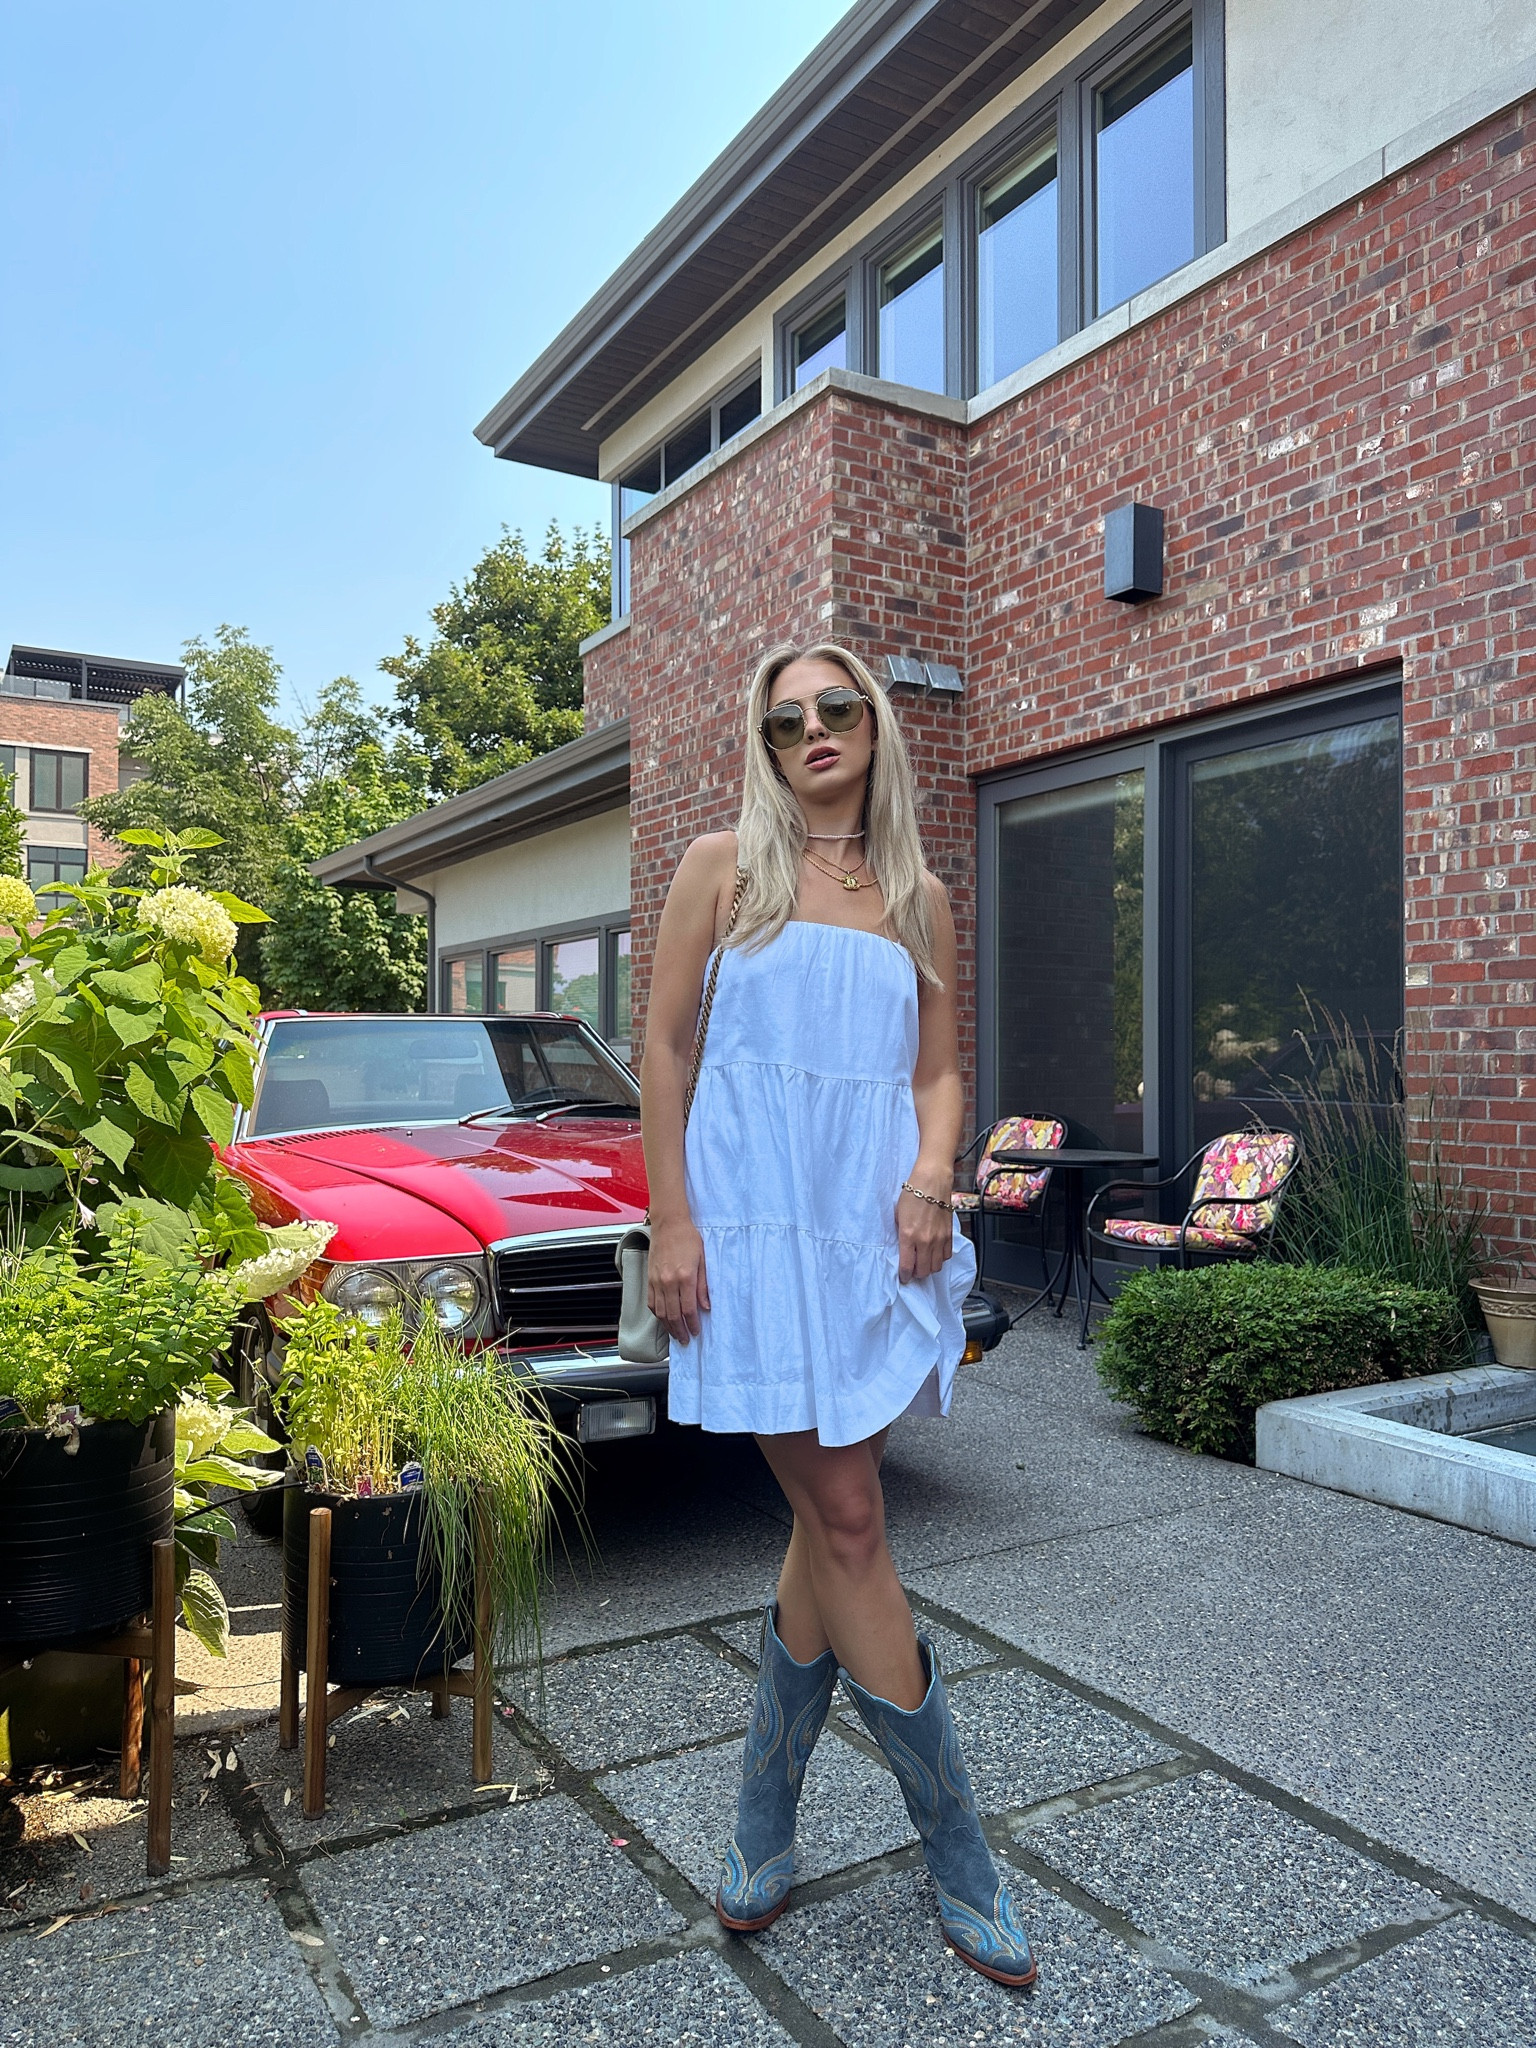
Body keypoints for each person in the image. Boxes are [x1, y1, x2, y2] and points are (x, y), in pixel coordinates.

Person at [640, 642, 1037, 1990]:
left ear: (873, 725)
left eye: (833, 708)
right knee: (853, 1515)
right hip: (752, 1236)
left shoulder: (917, 896)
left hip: (872, 1237)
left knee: (830, 1520)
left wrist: (934, 1175)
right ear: (765, 745)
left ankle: (764, 1816)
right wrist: (674, 1221)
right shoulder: (721, 870)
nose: (811, 730)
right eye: (784, 719)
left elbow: (938, 1075)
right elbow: (666, 1053)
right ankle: (962, 1855)